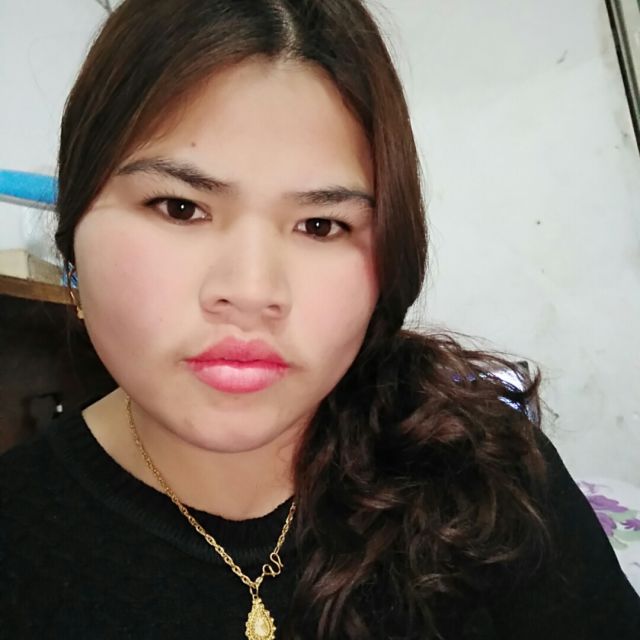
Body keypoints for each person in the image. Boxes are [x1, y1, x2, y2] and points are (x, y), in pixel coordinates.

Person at [1, 1, 639, 638]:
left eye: (320, 225)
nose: (252, 292)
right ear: (72, 231)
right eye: (179, 207)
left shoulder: (488, 477)